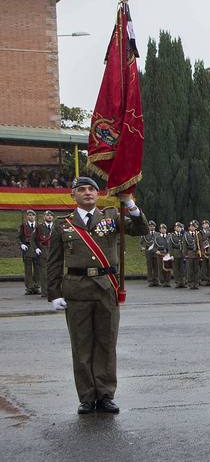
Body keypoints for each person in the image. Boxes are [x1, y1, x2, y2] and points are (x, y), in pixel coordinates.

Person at [45, 176, 149, 414]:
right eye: (81, 190)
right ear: (73, 195)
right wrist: (54, 293)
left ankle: (105, 395)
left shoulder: (111, 217)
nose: (88, 193)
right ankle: (87, 397)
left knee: (106, 343)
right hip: (77, 289)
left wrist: (130, 203)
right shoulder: (64, 224)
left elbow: (141, 228)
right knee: (81, 347)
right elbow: (53, 263)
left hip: (105, 288)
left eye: (92, 189)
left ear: (98, 194)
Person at [19, 209, 42, 294]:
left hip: (37, 249)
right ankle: (29, 288)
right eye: (29, 215)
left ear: (35, 217)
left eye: (32, 215)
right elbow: (20, 236)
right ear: (27, 216)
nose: (31, 217)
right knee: (28, 270)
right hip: (27, 249)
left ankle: (36, 287)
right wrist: (21, 244)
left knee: (37, 269)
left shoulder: (39, 226)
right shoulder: (23, 226)